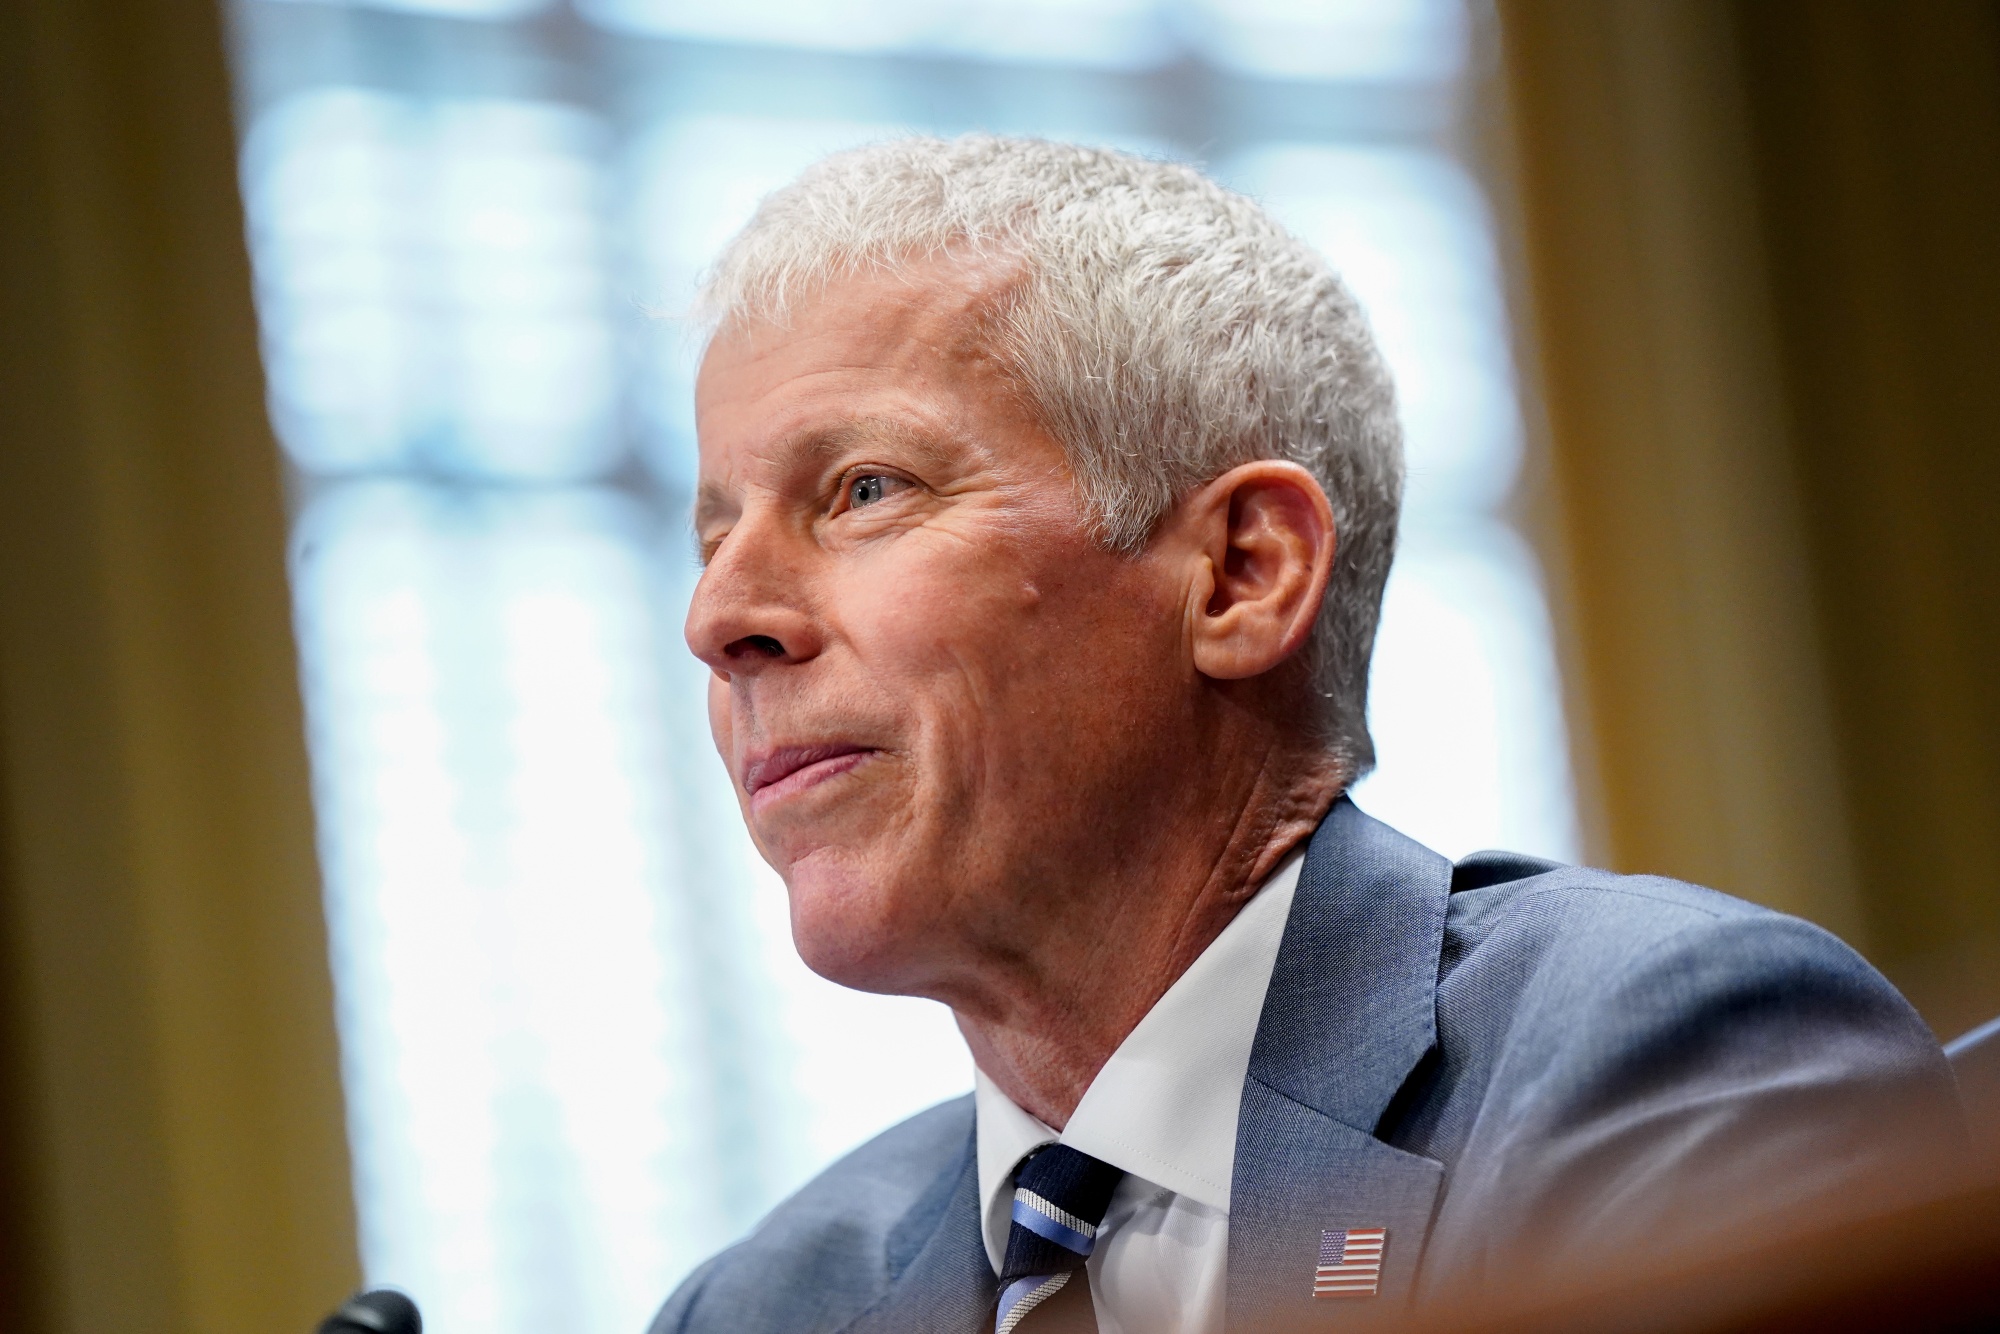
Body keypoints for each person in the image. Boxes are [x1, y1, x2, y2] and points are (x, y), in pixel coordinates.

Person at [651, 135, 1962, 1334]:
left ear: (1243, 573)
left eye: (864, 490)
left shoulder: (1661, 1070)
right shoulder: (763, 1308)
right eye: (713, 540)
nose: (719, 618)